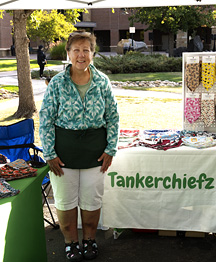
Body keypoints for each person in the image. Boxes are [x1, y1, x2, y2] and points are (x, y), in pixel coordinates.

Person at [39, 31, 119, 261]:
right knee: (65, 203)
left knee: (92, 202)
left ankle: (90, 241)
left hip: (95, 154)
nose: (81, 55)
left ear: (92, 53)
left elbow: (113, 116)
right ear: (68, 53)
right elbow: (46, 119)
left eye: (86, 50)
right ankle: (70, 243)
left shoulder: (102, 81)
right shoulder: (57, 83)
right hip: (63, 155)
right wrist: (50, 153)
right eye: (76, 50)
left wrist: (110, 148)